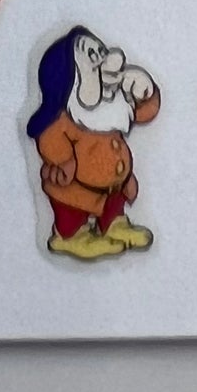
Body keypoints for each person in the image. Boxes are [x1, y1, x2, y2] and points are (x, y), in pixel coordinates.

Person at [26, 28, 158, 261]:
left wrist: (145, 92)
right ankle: (69, 236)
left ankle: (114, 225)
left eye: (101, 51)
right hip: (75, 187)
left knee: (113, 204)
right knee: (72, 210)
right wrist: (63, 160)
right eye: (92, 58)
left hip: (115, 184)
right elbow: (49, 137)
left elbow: (144, 113)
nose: (103, 63)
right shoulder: (68, 118)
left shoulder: (116, 106)